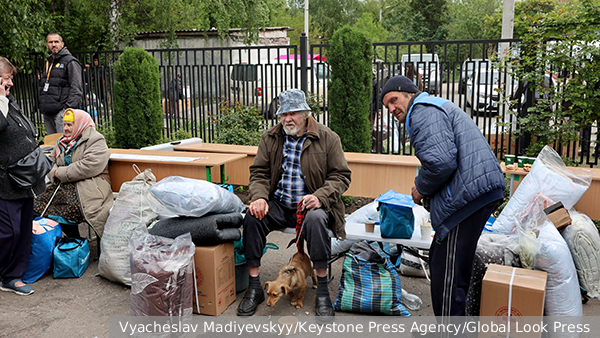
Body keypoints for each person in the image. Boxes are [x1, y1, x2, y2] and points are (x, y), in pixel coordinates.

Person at [380, 75, 505, 317]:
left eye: (394, 100)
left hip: (466, 198)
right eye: (387, 106)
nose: (392, 108)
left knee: (447, 275)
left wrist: (420, 188)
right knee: (445, 264)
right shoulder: (433, 107)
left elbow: (440, 162)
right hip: (474, 193)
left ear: (409, 93)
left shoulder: (421, 111)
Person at [237, 89, 351, 322]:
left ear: (306, 113)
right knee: (252, 217)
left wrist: (320, 196)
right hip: (279, 203)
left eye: (293, 113)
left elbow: (341, 176)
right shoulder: (271, 138)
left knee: (317, 220)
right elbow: (258, 172)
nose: (287, 119)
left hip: (312, 204)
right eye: (283, 114)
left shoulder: (328, 138)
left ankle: (321, 292)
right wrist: (258, 197)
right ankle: (255, 285)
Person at [0, 56, 46, 296]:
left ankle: (13, 276)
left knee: (24, 228)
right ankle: (7, 273)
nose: (10, 84)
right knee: (10, 231)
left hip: (25, 178)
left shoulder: (9, 100)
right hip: (5, 181)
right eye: (7, 79)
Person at [33, 109, 113, 238]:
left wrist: (60, 173)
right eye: (64, 124)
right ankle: (65, 243)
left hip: (90, 186)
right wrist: (54, 172)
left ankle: (75, 241)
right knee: (36, 203)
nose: (65, 128)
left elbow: (90, 166)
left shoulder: (95, 139)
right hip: (65, 186)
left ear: (80, 124)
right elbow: (50, 163)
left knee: (66, 207)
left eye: (69, 125)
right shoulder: (62, 141)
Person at [39, 33, 83, 134]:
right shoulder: (48, 62)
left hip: (61, 112)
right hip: (47, 111)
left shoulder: (70, 61)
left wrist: (66, 110)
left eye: (56, 42)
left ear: (62, 44)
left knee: (64, 144)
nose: (53, 44)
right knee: (52, 144)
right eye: (50, 42)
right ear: (47, 45)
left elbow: (76, 88)